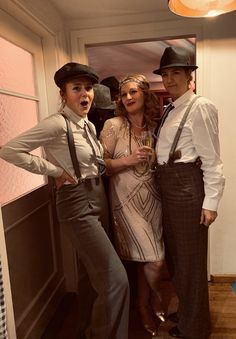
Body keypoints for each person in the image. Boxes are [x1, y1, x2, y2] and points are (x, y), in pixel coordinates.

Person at [0, 62, 130, 339]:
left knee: (90, 274)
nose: (85, 94)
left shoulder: (87, 126)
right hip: (75, 200)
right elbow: (11, 150)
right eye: (76, 88)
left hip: (98, 195)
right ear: (63, 94)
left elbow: (94, 163)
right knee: (115, 279)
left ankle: (86, 330)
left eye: (88, 87)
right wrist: (55, 170)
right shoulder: (56, 123)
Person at [153, 47, 225, 339]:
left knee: (190, 262)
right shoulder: (171, 108)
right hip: (168, 186)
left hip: (186, 187)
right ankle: (187, 312)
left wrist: (211, 203)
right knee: (177, 261)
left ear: (189, 77)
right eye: (166, 74)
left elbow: (212, 160)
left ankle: (194, 329)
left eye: (176, 73)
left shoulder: (200, 106)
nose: (169, 79)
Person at [100, 74, 165, 337]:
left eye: (133, 92)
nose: (127, 97)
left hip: (153, 200)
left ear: (145, 95)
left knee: (145, 258)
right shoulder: (113, 125)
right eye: (124, 94)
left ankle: (142, 304)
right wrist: (127, 160)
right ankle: (154, 300)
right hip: (125, 202)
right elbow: (100, 165)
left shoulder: (155, 126)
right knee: (156, 261)